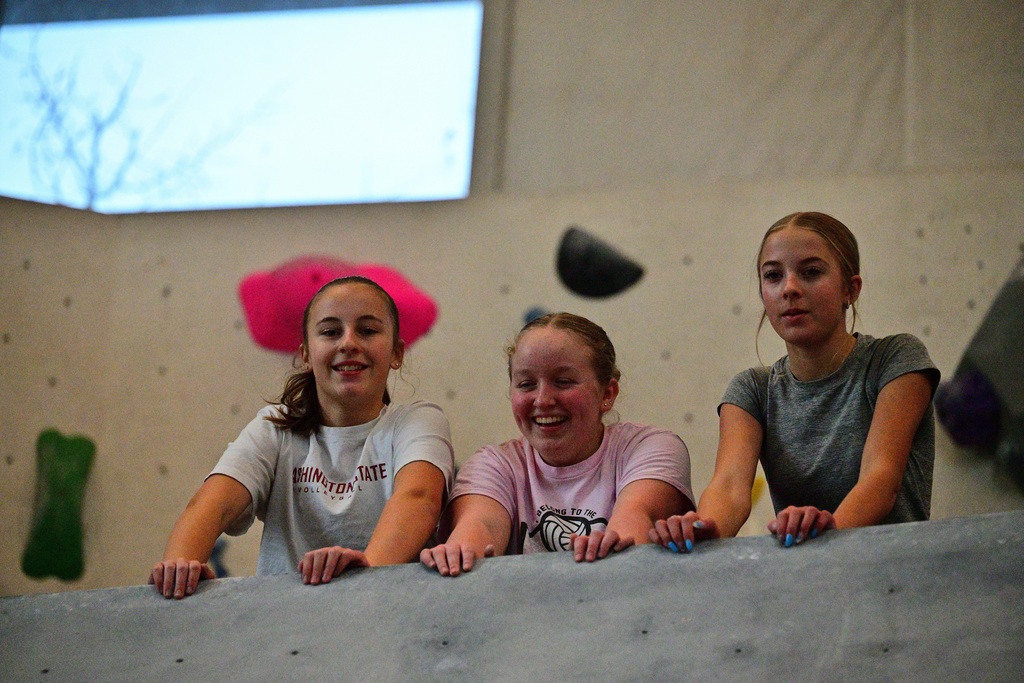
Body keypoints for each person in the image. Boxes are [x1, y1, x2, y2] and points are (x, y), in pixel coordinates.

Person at [651, 212, 940, 553]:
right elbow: (729, 487)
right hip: (804, 584)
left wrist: (828, 534)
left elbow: (880, 480)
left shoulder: (894, 359)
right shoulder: (753, 390)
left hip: (895, 575)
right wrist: (702, 529)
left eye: (811, 272)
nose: (789, 288)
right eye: (773, 276)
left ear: (851, 288)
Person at [151, 276, 454, 598]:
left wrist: (365, 573)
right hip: (286, 622)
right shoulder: (275, 428)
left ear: (397, 354)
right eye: (330, 332)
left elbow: (418, 499)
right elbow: (211, 506)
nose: (348, 343)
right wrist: (179, 569)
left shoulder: (416, 421)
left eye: (367, 330)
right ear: (306, 355)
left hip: (389, 610)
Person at [421, 313, 695, 576]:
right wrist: (456, 556)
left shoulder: (648, 447)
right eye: (526, 384)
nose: (542, 400)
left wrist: (611, 547)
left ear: (607, 394)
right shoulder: (495, 464)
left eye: (563, 382)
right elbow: (479, 527)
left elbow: (633, 525)